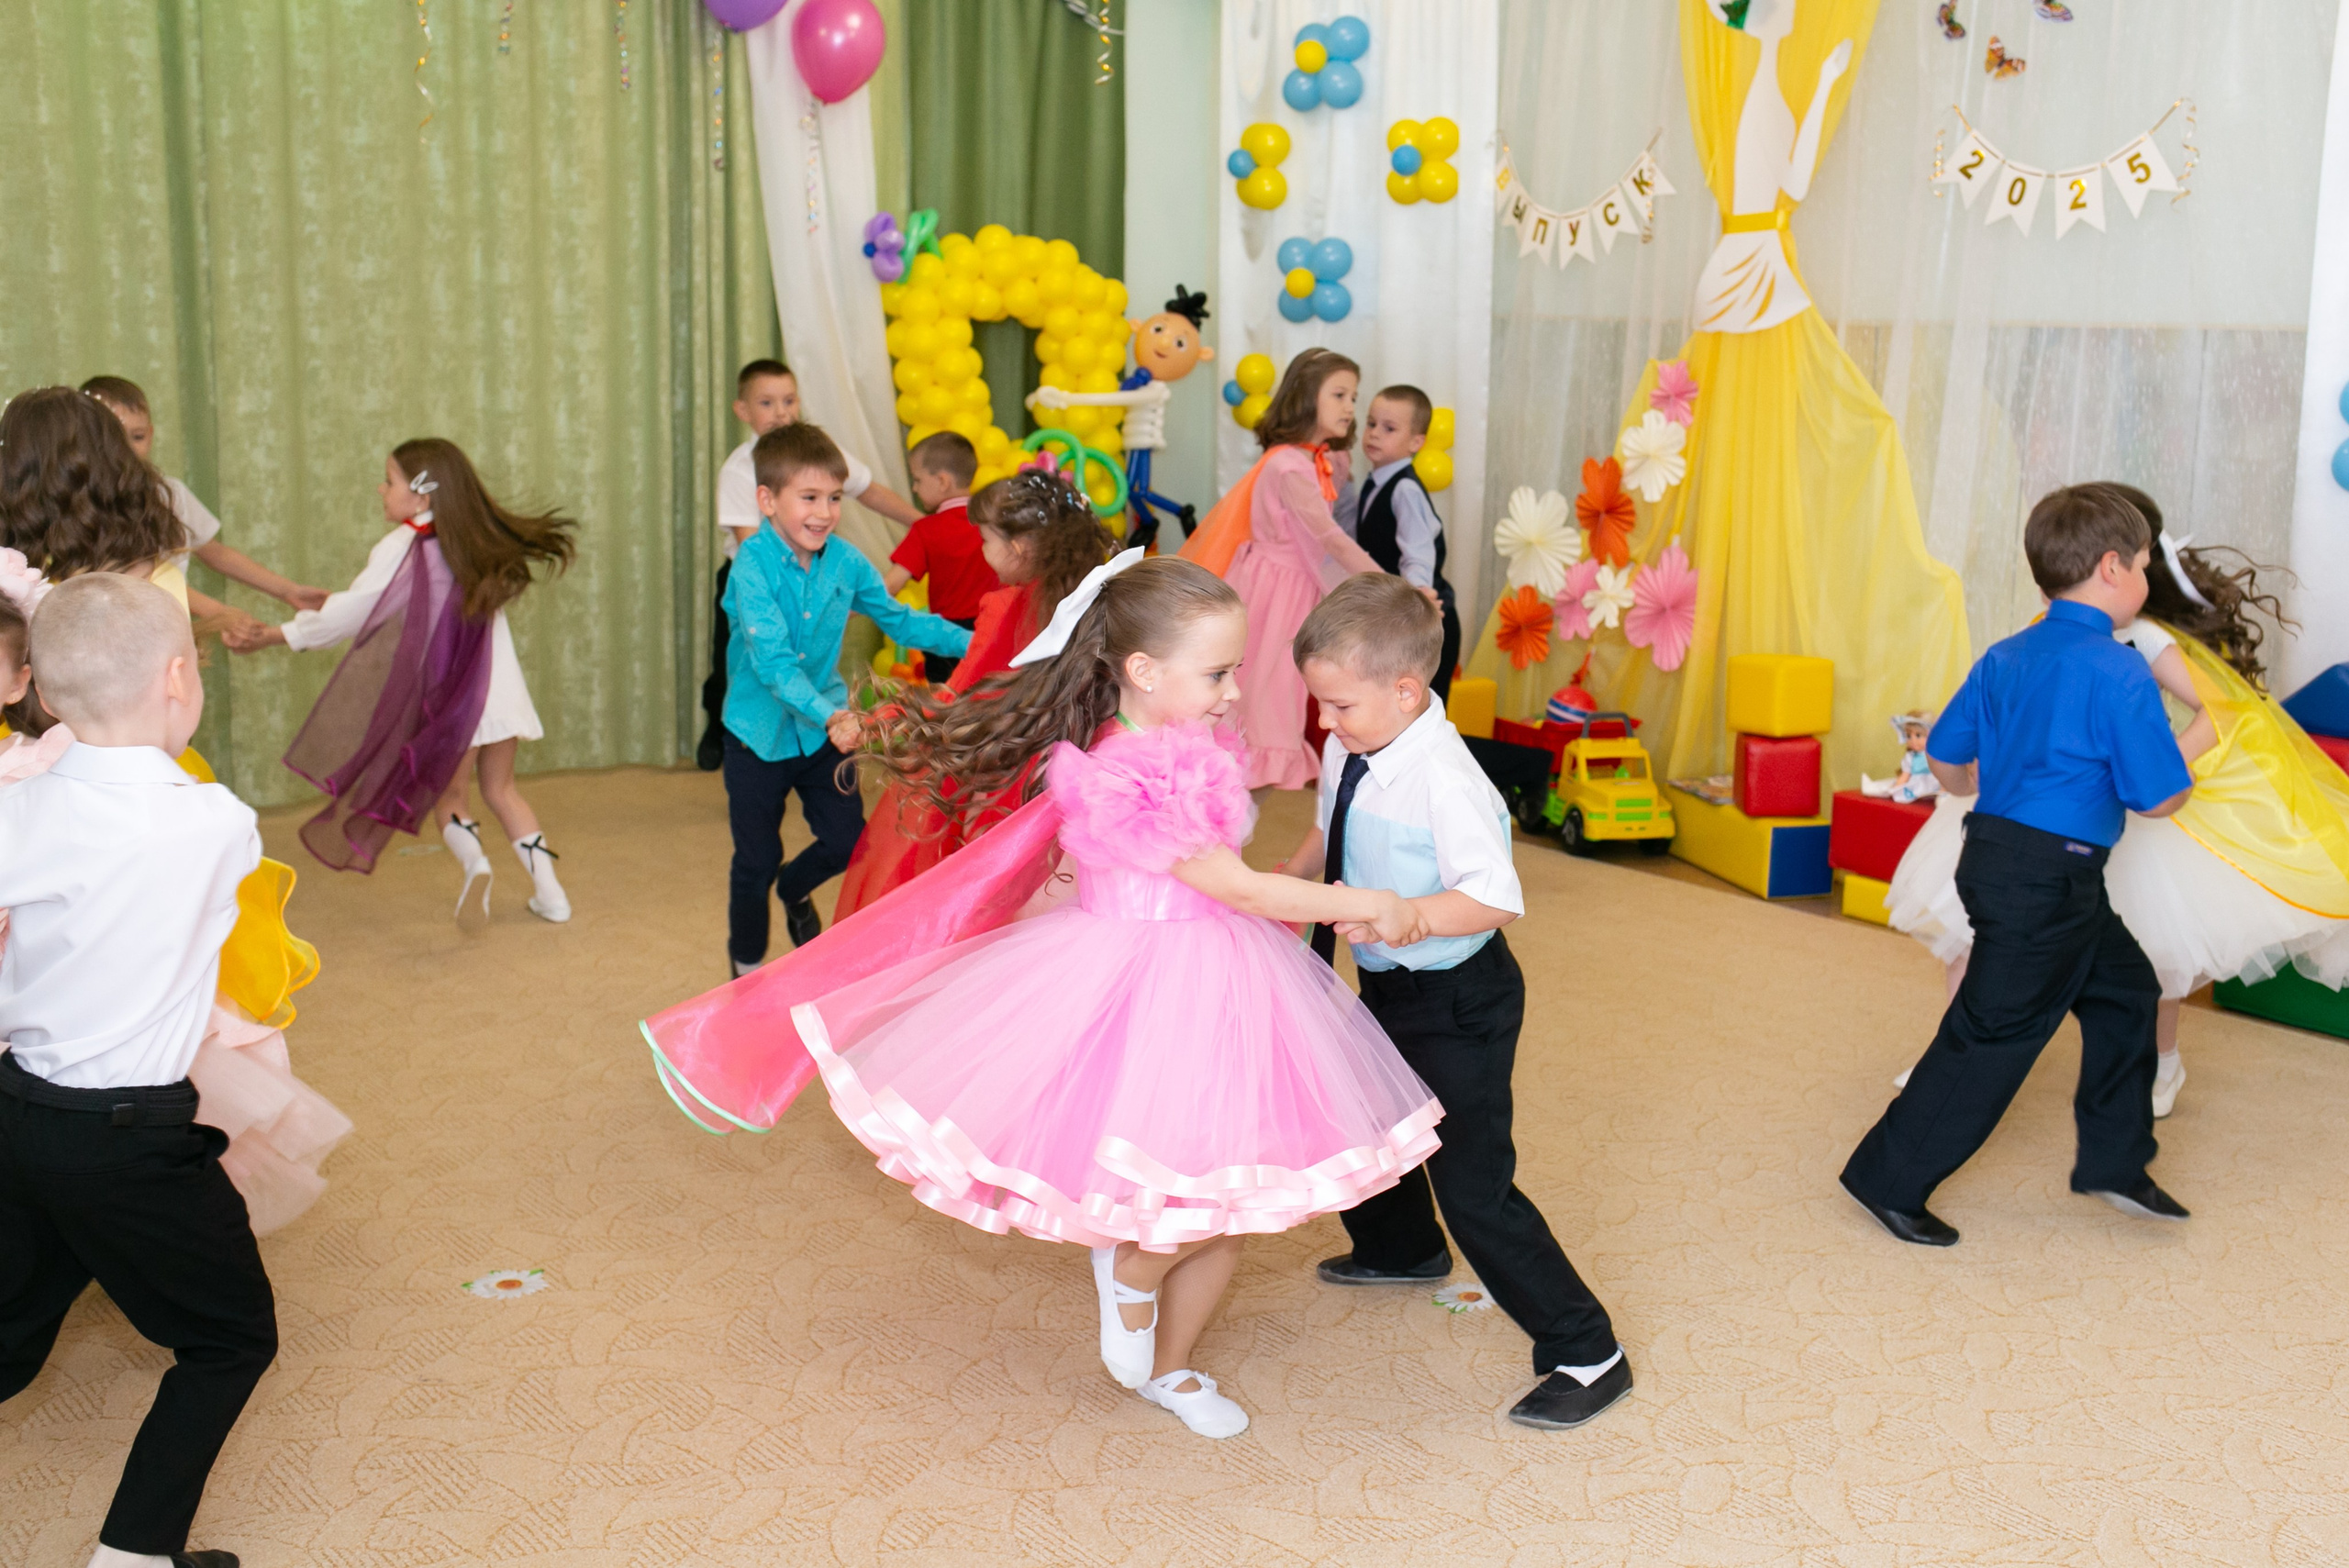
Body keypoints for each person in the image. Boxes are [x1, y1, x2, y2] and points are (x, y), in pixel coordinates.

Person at [644, 554, 1443, 1440]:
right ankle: (1134, 1279)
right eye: (1217, 672)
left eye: (1233, 669)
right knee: (1180, 1194)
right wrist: (1368, 902)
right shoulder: (1139, 769)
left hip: (1217, 976)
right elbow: (1238, 887)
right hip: (1148, 977)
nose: (1232, 691)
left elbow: (1097, 873)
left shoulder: (1174, 746)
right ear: (1144, 672)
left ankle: (1173, 1370)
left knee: (1231, 1199)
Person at [1286, 574, 1631, 1429]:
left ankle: (1589, 1350)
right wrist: (1282, 882)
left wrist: (1412, 913)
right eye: (1319, 706)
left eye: (1338, 706)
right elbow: (1330, 824)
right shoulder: (1354, 742)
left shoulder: (1446, 777)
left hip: (1459, 996)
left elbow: (1496, 895)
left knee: (1473, 1182)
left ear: (1407, 690)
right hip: (1385, 978)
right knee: (1369, 1111)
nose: (1325, 724)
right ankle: (1404, 1248)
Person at [1886, 484, 2347, 1118]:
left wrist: (2157, 762)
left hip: (2125, 821)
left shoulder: (2143, 641)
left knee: (2151, 952)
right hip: (2021, 813)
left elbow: (2224, 711)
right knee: (1976, 939)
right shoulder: (2038, 634)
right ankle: (1952, 1057)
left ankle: (2159, 1064)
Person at [0, 573, 279, 1568]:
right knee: (231, 1338)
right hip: (131, 1138)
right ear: (177, 675)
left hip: (19, 1118)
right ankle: (133, 1557)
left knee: (10, 1331)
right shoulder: (214, 823)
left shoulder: (17, 808)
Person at [1842, 484, 2195, 1248]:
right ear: (2111, 568)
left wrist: (1982, 789)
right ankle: (1886, 1178)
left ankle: (2114, 1158)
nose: (2146, 579)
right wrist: (2188, 757)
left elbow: (1944, 753)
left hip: (2005, 856)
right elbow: (2158, 797)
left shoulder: (2006, 653)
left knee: (2127, 990)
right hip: (2048, 880)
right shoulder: (2121, 669)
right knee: (1992, 1033)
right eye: (2142, 565)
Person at [228, 439, 579, 925]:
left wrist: (274, 635)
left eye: (389, 480)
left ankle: (475, 863)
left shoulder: (401, 547)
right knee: (503, 790)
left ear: (421, 497)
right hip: (501, 694)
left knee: (450, 797)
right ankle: (551, 893)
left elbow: (352, 614)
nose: (381, 488)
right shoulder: (475, 540)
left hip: (456, 699)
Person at [720, 423, 971, 974]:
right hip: (758, 734)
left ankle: (795, 887)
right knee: (755, 862)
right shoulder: (751, 567)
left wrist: (979, 642)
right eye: (809, 498)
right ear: (767, 501)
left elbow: (902, 619)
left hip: (822, 732)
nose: (825, 511)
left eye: (834, 498)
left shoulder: (846, 562)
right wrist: (832, 713)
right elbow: (774, 665)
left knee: (846, 842)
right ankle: (744, 971)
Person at [834, 470, 1112, 919]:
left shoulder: (1008, 608)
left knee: (994, 905)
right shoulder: (1100, 596)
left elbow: (961, 697)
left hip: (1015, 779)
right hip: (1089, 774)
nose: (982, 552)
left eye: (985, 539)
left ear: (1017, 547)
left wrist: (881, 718)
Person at [699, 360, 925, 771]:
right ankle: (724, 730)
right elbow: (753, 547)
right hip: (753, 582)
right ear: (743, 411)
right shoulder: (738, 471)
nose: (781, 412)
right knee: (739, 667)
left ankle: (806, 740)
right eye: (767, 403)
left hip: (807, 572)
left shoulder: (820, 457)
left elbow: (870, 491)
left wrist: (923, 522)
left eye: (789, 400)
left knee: (803, 662)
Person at [1188, 349, 1385, 788]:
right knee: (1260, 699)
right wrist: (1386, 586)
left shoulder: (1314, 462)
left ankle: (1232, 811)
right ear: (1306, 397)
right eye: (1339, 395)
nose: (1350, 407)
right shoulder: (1289, 465)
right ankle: (1225, 808)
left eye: (1353, 396)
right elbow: (1327, 540)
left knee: (1272, 698)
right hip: (1273, 592)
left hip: (1292, 589)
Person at [81, 376, 329, 640]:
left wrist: (287, 590)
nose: (128, 449)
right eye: (116, 439)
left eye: (138, 436)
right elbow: (141, 580)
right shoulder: (87, 505)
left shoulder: (170, 492)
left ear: (151, 434)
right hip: (116, 639)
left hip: (169, 635)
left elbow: (214, 552)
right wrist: (218, 612)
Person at [1341, 384, 1462, 702]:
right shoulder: (1374, 482)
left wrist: (1418, 598)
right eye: (1371, 424)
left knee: (1420, 712)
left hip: (1426, 621)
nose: (1375, 434)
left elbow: (1418, 553)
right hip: (1398, 620)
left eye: (1389, 428)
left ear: (1416, 442)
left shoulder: (1405, 489)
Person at [882, 431, 996, 687]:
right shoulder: (995, 522)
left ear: (942, 481)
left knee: (946, 712)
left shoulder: (926, 530)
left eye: (918, 480)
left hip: (946, 640)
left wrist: (847, 608)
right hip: (995, 631)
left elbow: (889, 586)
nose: (914, 488)